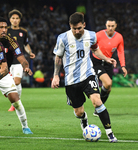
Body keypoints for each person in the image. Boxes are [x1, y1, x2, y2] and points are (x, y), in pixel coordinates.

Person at [51, 12, 118, 143]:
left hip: (88, 74)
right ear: (70, 26)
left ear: (84, 25)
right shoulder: (63, 38)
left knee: (97, 101)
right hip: (71, 80)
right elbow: (58, 57)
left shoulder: (91, 35)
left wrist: (106, 58)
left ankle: (110, 134)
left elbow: (95, 49)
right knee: (78, 112)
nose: (77, 31)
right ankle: (83, 119)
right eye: (74, 28)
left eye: (79, 28)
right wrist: (56, 76)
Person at [91, 17, 127, 117]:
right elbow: (91, 47)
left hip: (108, 63)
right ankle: (99, 108)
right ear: (106, 26)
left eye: (112, 26)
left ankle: (97, 109)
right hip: (96, 62)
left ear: (116, 26)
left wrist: (123, 66)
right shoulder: (98, 35)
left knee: (108, 88)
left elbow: (120, 52)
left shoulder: (119, 37)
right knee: (108, 82)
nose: (110, 28)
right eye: (108, 26)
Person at [7, 9, 36, 111]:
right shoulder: (6, 31)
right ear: (10, 20)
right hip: (8, 61)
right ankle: (14, 101)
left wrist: (30, 52)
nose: (15, 20)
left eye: (17, 18)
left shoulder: (23, 32)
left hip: (19, 60)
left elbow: (26, 44)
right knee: (10, 84)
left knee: (17, 81)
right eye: (13, 18)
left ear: (19, 20)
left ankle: (15, 103)